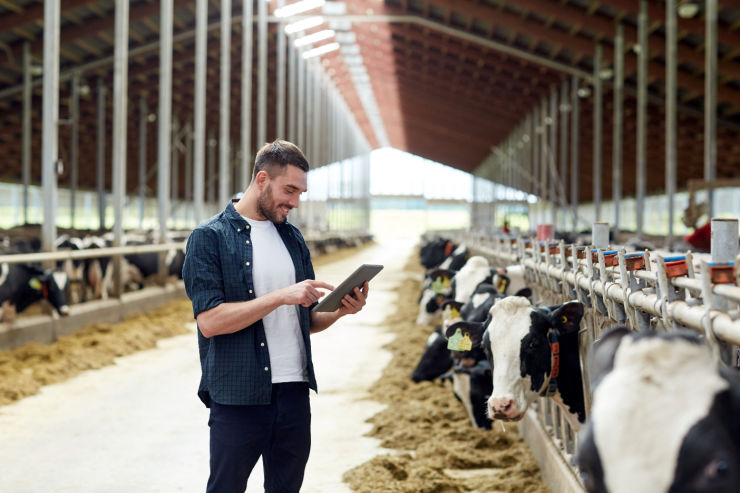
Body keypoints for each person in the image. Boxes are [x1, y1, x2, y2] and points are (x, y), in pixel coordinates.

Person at [182, 140, 370, 493]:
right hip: (238, 395)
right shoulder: (209, 238)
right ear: (262, 179)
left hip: (294, 392)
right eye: (290, 190)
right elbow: (210, 321)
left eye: (301, 193)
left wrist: (342, 311)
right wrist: (281, 295)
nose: (295, 202)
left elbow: (307, 320)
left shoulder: (293, 238)